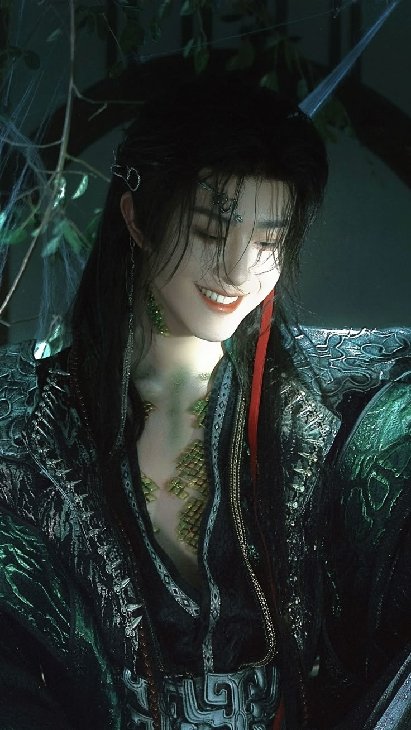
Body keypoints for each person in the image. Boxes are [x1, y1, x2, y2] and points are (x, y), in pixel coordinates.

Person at [0, 76, 409, 730]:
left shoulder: (330, 394)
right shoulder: (28, 422)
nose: (238, 270)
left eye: (268, 242)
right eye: (211, 231)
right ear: (137, 218)